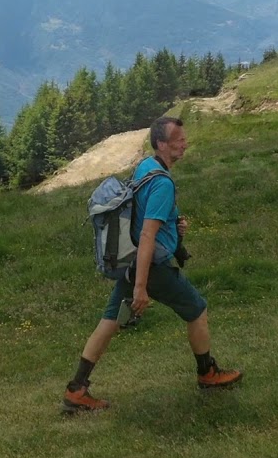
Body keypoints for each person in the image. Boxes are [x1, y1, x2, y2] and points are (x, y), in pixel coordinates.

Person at [62, 116, 242, 413]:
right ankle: (207, 373)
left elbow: (144, 215)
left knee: (110, 320)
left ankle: (76, 390)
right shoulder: (162, 184)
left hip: (132, 262)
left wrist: (173, 226)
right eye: (178, 140)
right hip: (151, 266)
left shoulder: (147, 166)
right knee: (197, 310)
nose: (185, 144)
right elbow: (147, 235)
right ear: (161, 144)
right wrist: (142, 287)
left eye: (184, 138)